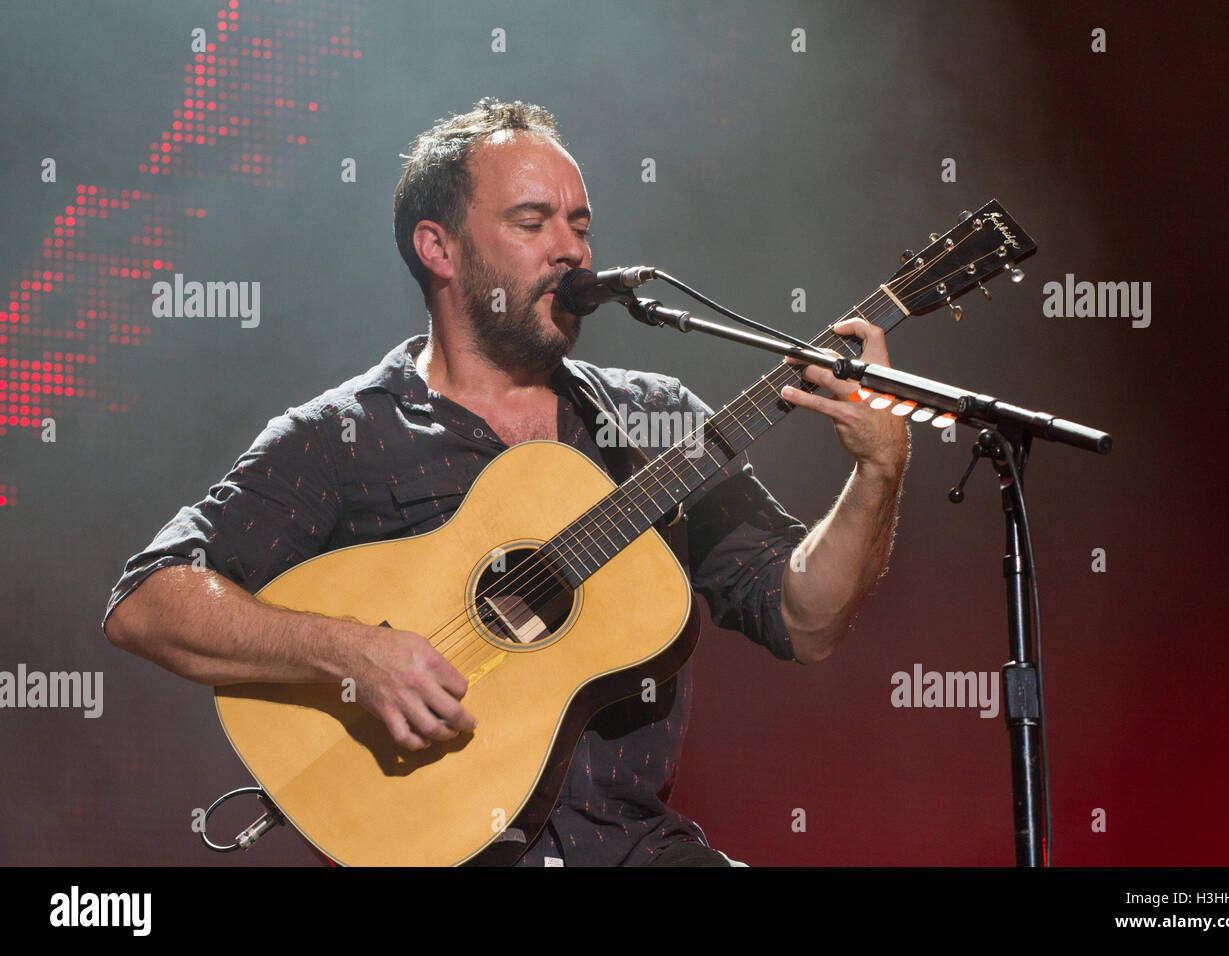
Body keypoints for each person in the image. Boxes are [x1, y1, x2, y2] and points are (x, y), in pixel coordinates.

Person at [103, 97, 910, 867]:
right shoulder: (341, 437)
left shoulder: (656, 425)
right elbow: (148, 602)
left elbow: (805, 621)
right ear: (439, 248)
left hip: (636, 850)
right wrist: (353, 652)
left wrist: (880, 469)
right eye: (533, 223)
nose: (572, 250)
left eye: (581, 226)